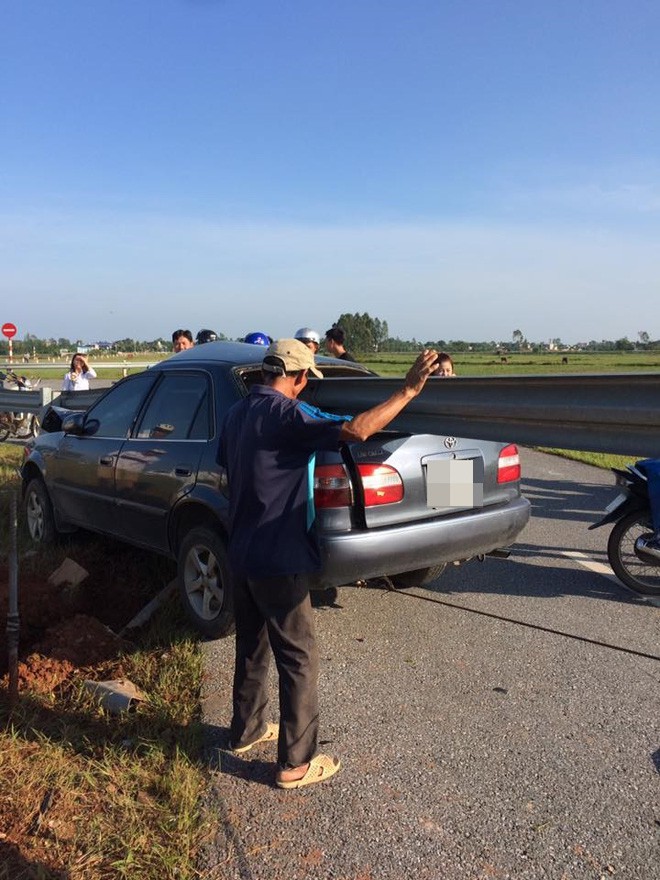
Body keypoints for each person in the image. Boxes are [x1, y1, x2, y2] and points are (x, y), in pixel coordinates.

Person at [218, 339, 438, 789]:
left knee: (253, 646)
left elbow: (232, 464)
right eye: (305, 381)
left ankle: (246, 731)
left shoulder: (237, 413)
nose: (304, 390)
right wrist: (408, 393)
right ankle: (296, 764)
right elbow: (357, 431)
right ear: (297, 378)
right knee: (299, 656)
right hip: (278, 556)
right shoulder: (288, 415)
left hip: (240, 551)